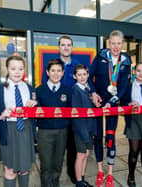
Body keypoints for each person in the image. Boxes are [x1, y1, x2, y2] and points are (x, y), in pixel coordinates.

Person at [0, 55, 36, 187]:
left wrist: (35, 105)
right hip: (8, 132)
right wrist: (1, 115)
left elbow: (38, 110)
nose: (17, 72)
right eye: (13, 69)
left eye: (20, 69)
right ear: (7, 69)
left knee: (24, 169)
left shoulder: (30, 89)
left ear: (24, 70)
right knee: (10, 170)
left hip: (25, 130)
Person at [89, 30, 131, 187]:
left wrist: (114, 100)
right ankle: (100, 171)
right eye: (113, 43)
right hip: (98, 103)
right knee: (98, 137)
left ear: (122, 44)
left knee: (111, 137)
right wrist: (93, 94)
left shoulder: (126, 60)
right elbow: (89, 77)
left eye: (118, 43)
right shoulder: (100, 57)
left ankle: (111, 173)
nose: (115, 46)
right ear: (108, 43)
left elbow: (125, 86)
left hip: (113, 103)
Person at [42, 35, 80, 183]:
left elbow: (85, 82)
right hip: (53, 117)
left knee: (72, 147)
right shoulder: (52, 64)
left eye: (68, 45)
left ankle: (72, 174)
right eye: (63, 45)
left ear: (72, 47)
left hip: (71, 113)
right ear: (59, 47)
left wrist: (93, 93)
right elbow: (43, 89)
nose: (66, 47)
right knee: (51, 155)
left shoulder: (76, 65)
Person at [36, 59, 72, 187]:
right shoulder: (39, 90)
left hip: (62, 132)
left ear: (63, 73)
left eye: (58, 71)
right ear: (47, 72)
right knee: (46, 166)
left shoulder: (68, 91)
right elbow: (35, 111)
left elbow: (73, 111)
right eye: (53, 71)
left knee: (58, 164)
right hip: (45, 133)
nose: (56, 74)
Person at [72, 64, 96, 187]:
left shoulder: (88, 88)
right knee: (81, 154)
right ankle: (79, 182)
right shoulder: (75, 90)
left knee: (86, 154)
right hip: (81, 129)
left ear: (88, 75)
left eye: (84, 74)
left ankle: (82, 177)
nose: (82, 77)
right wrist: (84, 133)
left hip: (89, 127)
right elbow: (77, 114)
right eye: (79, 75)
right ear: (74, 76)